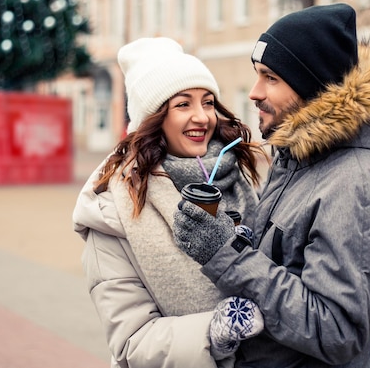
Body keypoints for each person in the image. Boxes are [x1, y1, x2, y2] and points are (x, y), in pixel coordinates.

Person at [172, 3, 370, 368]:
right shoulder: (295, 160)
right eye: (256, 74)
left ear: (313, 87)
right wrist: (235, 234)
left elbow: (338, 331)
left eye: (270, 77)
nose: (253, 92)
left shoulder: (356, 183)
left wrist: (226, 254)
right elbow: (284, 266)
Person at [72, 37, 269, 368]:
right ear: (154, 118)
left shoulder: (244, 177)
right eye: (182, 105)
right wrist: (213, 332)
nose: (202, 117)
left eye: (208, 102)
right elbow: (131, 342)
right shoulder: (112, 207)